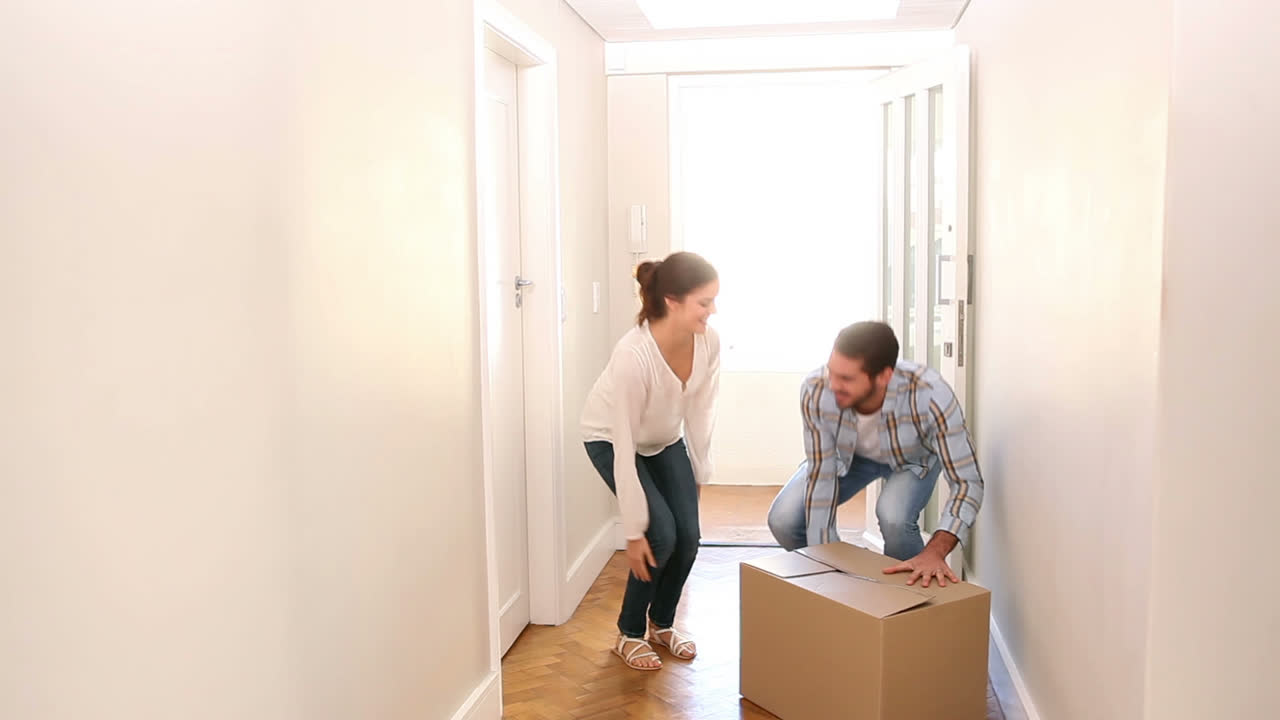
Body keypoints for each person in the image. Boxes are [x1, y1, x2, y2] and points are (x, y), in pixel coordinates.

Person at [580, 251, 720, 671]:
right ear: (672, 301)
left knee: (689, 537)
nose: (713, 311)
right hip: (611, 439)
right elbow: (624, 442)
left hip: (665, 439)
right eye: (704, 302)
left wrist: (698, 470)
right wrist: (634, 529)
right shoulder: (633, 355)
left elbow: (701, 409)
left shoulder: (707, 341)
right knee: (660, 536)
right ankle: (629, 633)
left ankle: (661, 623)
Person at [767, 321, 984, 588]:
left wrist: (935, 551)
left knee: (894, 518)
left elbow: (968, 482)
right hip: (848, 458)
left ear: (884, 376)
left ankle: (908, 597)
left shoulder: (931, 395)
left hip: (912, 459)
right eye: (831, 372)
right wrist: (828, 567)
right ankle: (852, 590)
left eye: (846, 379)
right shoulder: (816, 388)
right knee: (784, 520)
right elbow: (821, 474)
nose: (833, 385)